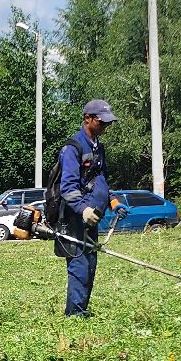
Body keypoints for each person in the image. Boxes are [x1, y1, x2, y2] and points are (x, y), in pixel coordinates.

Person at [55, 99, 115, 316]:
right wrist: (83, 210)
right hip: (75, 218)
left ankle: (81, 310)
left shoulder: (98, 147)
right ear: (88, 119)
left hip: (92, 217)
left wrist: (114, 201)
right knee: (79, 265)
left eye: (107, 123)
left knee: (90, 264)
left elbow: (101, 180)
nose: (105, 126)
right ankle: (74, 315)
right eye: (101, 122)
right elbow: (67, 188)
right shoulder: (73, 148)